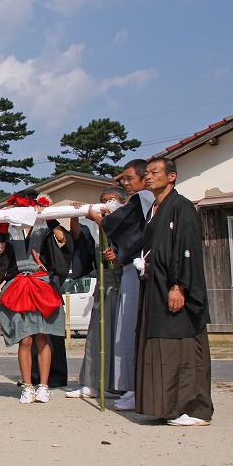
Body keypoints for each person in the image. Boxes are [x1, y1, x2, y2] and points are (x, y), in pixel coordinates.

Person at [135, 158, 212, 426]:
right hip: (155, 285)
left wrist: (179, 286)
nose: (148, 177)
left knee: (183, 349)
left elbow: (186, 247)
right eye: (146, 174)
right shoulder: (153, 210)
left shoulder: (181, 207)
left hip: (176, 287)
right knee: (160, 347)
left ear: (172, 177)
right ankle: (167, 407)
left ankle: (195, 409)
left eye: (154, 172)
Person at [0, 190, 72, 404]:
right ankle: (27, 385)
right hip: (18, 283)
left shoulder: (44, 224)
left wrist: (47, 216)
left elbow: (62, 239)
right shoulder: (9, 227)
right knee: (25, 338)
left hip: (42, 283)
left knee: (42, 336)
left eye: (28, 205)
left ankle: (43, 386)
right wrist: (2, 221)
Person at [90, 159, 155, 410]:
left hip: (138, 271)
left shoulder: (144, 200)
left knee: (131, 331)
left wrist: (98, 217)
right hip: (129, 269)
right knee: (124, 334)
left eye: (129, 179)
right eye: (124, 180)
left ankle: (136, 387)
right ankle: (130, 387)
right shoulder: (139, 203)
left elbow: (119, 224)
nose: (126, 183)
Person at [65, 186, 127, 399]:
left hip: (125, 283)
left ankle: (124, 386)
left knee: (123, 337)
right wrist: (75, 216)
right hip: (103, 284)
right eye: (103, 201)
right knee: (97, 335)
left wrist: (118, 256)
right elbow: (81, 240)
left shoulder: (128, 222)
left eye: (111, 201)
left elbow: (133, 247)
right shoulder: (97, 227)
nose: (106, 205)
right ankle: (92, 383)